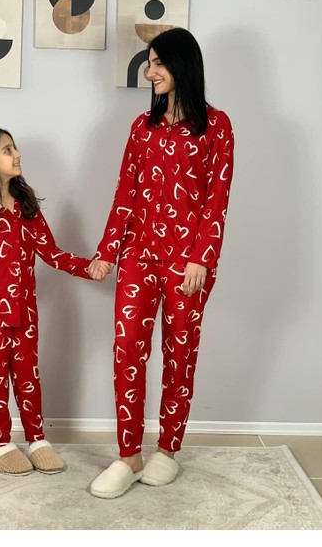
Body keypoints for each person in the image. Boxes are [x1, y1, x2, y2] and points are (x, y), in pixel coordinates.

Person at [88, 27, 234, 499]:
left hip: (188, 263)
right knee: (127, 350)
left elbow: (216, 200)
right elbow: (124, 193)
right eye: (148, 63)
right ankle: (128, 455)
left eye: (157, 63)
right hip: (139, 254)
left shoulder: (217, 126)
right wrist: (108, 251)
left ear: (182, 64)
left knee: (179, 353)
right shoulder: (141, 127)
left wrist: (202, 257)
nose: (149, 72)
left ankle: (168, 450)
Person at [0, 128, 109, 476]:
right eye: (7, 150)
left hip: (25, 313)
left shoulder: (25, 206)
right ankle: (1, 445)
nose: (17, 154)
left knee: (28, 380)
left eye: (14, 147)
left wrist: (89, 267)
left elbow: (51, 252)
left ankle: (37, 440)